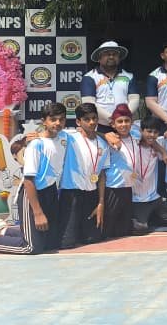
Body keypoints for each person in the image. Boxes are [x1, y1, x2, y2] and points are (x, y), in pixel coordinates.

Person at [0, 103, 67, 254]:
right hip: (32, 194)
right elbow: (28, 180)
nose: (58, 123)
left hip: (50, 192)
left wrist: (104, 135)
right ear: (44, 121)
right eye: (53, 119)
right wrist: (38, 212)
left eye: (61, 119)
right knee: (31, 247)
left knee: (51, 244)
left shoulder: (64, 137)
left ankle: (3, 230)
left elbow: (86, 132)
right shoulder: (35, 145)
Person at [58, 103, 110, 249]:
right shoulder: (69, 137)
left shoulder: (103, 144)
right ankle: (4, 229)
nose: (92, 122)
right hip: (71, 194)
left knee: (93, 239)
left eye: (94, 118)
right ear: (78, 122)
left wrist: (101, 203)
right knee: (67, 242)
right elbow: (51, 132)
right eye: (87, 119)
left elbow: (102, 175)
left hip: (92, 195)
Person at [129, 116, 167, 234]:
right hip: (137, 198)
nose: (152, 135)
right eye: (149, 131)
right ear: (141, 131)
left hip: (154, 197)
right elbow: (132, 130)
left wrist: (164, 151)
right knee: (141, 228)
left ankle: (148, 217)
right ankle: (141, 219)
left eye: (155, 132)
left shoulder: (158, 145)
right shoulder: (133, 142)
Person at [81, 41, 139, 133]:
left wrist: (123, 117)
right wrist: (112, 119)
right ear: (99, 58)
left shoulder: (129, 76)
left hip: (124, 125)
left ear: (119, 58)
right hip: (100, 126)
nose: (111, 57)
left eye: (114, 54)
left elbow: (134, 99)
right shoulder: (89, 77)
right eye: (107, 54)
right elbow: (88, 103)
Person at [102, 105, 137, 238]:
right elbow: (94, 134)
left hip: (128, 187)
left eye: (127, 121)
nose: (124, 124)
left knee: (125, 228)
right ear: (113, 124)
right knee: (109, 225)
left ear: (132, 122)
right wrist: (105, 135)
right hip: (113, 187)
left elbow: (152, 139)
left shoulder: (137, 136)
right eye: (120, 121)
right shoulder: (110, 139)